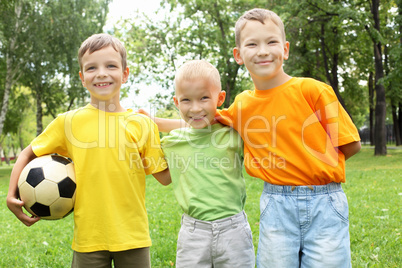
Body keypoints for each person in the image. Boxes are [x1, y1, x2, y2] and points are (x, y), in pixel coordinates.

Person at [150, 8, 361, 268]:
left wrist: (308, 168)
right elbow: (201, 121)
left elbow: (350, 145)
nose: (262, 51)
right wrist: (155, 123)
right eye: (252, 44)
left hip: (325, 200)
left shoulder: (313, 90)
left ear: (285, 49)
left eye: (271, 42)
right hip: (276, 202)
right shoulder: (242, 106)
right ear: (239, 55)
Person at [6, 33, 171, 268]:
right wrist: (11, 195)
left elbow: (164, 177)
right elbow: (27, 153)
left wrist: (189, 143)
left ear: (125, 74)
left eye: (111, 65)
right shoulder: (68, 122)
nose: (101, 73)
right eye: (92, 68)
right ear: (83, 78)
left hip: (133, 237)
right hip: (89, 239)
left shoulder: (142, 124)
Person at [151, 59, 255, 267]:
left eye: (204, 98)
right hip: (193, 233)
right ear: (176, 102)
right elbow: (164, 178)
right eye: (186, 100)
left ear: (220, 98)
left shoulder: (234, 134)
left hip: (233, 230)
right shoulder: (172, 142)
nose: (195, 108)